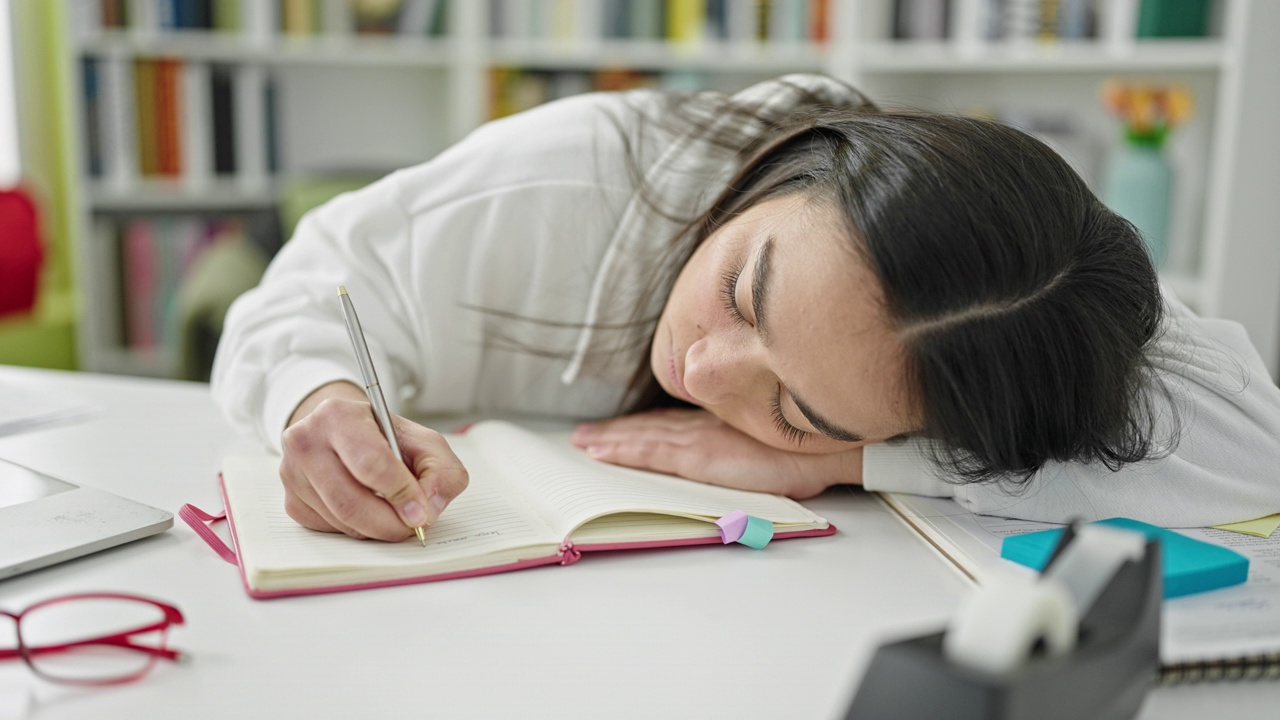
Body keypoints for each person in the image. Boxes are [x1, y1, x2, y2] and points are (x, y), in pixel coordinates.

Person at [211, 74, 1280, 543]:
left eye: (797, 409)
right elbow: (300, 296)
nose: (707, 373)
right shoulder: (571, 174)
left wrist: (845, 466)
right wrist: (325, 397)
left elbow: (1250, 448)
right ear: (794, 170)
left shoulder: (971, 339)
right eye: (740, 289)